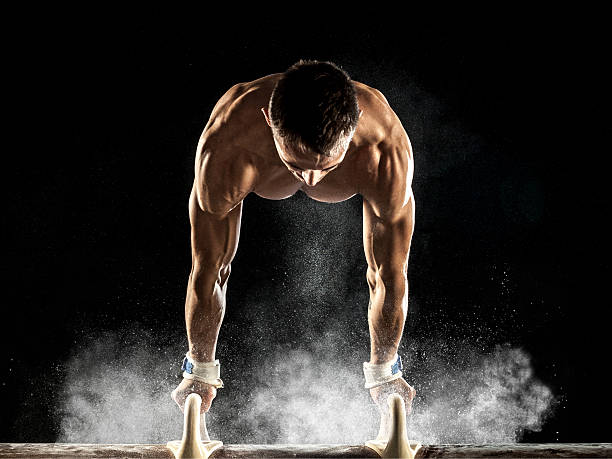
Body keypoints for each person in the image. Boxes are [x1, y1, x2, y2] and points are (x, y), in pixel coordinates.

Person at [171, 60, 415, 440]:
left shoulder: (384, 149)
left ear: (357, 122)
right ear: (269, 120)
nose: (311, 180)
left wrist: (385, 371)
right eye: (295, 164)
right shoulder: (228, 146)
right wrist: (199, 369)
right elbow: (209, 268)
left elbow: (387, 274)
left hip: (360, 161)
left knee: (385, 270)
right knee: (213, 264)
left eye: (327, 167)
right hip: (247, 159)